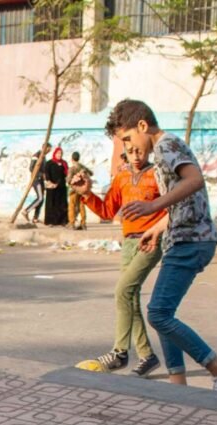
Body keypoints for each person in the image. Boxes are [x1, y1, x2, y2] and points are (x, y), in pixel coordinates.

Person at [110, 99, 217, 392]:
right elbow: (184, 198)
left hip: (191, 239)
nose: (129, 147)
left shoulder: (165, 145)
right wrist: (158, 229)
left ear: (143, 126)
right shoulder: (164, 148)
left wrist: (154, 206)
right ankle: (177, 384)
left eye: (129, 138)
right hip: (181, 237)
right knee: (163, 314)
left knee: (158, 313)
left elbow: (194, 180)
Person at [71, 140, 167, 377]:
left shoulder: (158, 175)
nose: (136, 156)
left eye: (141, 151)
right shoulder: (122, 177)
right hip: (129, 242)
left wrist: (158, 232)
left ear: (149, 150)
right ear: (125, 152)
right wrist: (86, 193)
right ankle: (147, 355)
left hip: (150, 240)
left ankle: (120, 352)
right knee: (129, 297)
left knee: (123, 291)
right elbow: (106, 211)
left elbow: (170, 209)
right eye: (131, 152)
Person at [43, 147, 69, 226]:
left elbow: (66, 174)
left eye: (61, 153)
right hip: (52, 187)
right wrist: (50, 182)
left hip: (61, 186)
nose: (59, 155)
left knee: (62, 204)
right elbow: (46, 173)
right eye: (58, 153)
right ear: (55, 153)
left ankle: (62, 221)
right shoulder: (49, 163)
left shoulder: (64, 163)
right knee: (51, 204)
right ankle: (51, 221)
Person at [23, 146, 48, 225]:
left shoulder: (44, 156)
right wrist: (41, 174)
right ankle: (26, 211)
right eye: (48, 149)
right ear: (44, 148)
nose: (48, 151)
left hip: (41, 180)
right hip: (36, 180)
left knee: (41, 199)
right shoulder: (36, 156)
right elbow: (32, 168)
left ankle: (35, 218)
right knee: (40, 198)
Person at [67, 151, 92, 230]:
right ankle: (83, 223)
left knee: (72, 206)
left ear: (72, 159)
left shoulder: (72, 168)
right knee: (81, 206)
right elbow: (91, 173)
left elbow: (68, 180)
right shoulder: (82, 167)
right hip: (82, 190)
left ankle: (72, 223)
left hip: (74, 190)